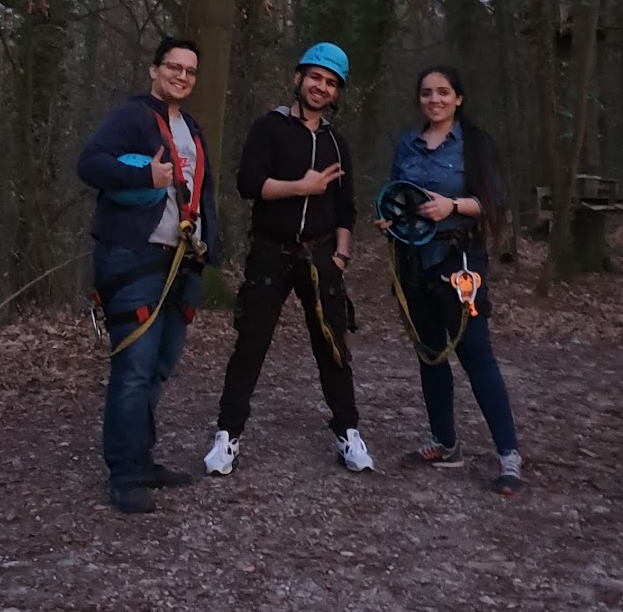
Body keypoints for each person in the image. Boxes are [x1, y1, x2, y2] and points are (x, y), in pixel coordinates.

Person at [204, 42, 374, 477]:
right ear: (298, 78)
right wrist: (301, 187)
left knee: (332, 346)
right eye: (315, 77)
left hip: (322, 253)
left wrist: (342, 254)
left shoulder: (337, 143)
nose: (321, 87)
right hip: (271, 249)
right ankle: (228, 434)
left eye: (330, 82)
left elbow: (346, 207)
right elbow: (248, 184)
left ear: (337, 92)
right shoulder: (269, 128)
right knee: (251, 343)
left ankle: (348, 431)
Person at [77, 36, 219, 514]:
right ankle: (124, 474)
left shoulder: (191, 129)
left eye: (190, 71)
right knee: (134, 368)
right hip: (135, 259)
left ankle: (141, 459)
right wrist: (143, 178)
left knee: (159, 365)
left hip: (182, 260)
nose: (182, 76)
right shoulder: (132, 117)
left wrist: (210, 248)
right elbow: (90, 164)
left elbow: (202, 192)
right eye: (174, 67)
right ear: (154, 70)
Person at [384, 64, 523, 495]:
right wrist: (390, 218)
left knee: (477, 355)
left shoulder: (476, 145)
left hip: (460, 260)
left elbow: (495, 203)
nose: (435, 100)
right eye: (427, 93)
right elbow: (397, 195)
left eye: (443, 92)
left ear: (458, 98)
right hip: (413, 261)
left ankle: (508, 454)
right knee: (430, 353)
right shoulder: (407, 143)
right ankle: (444, 441)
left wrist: (453, 206)